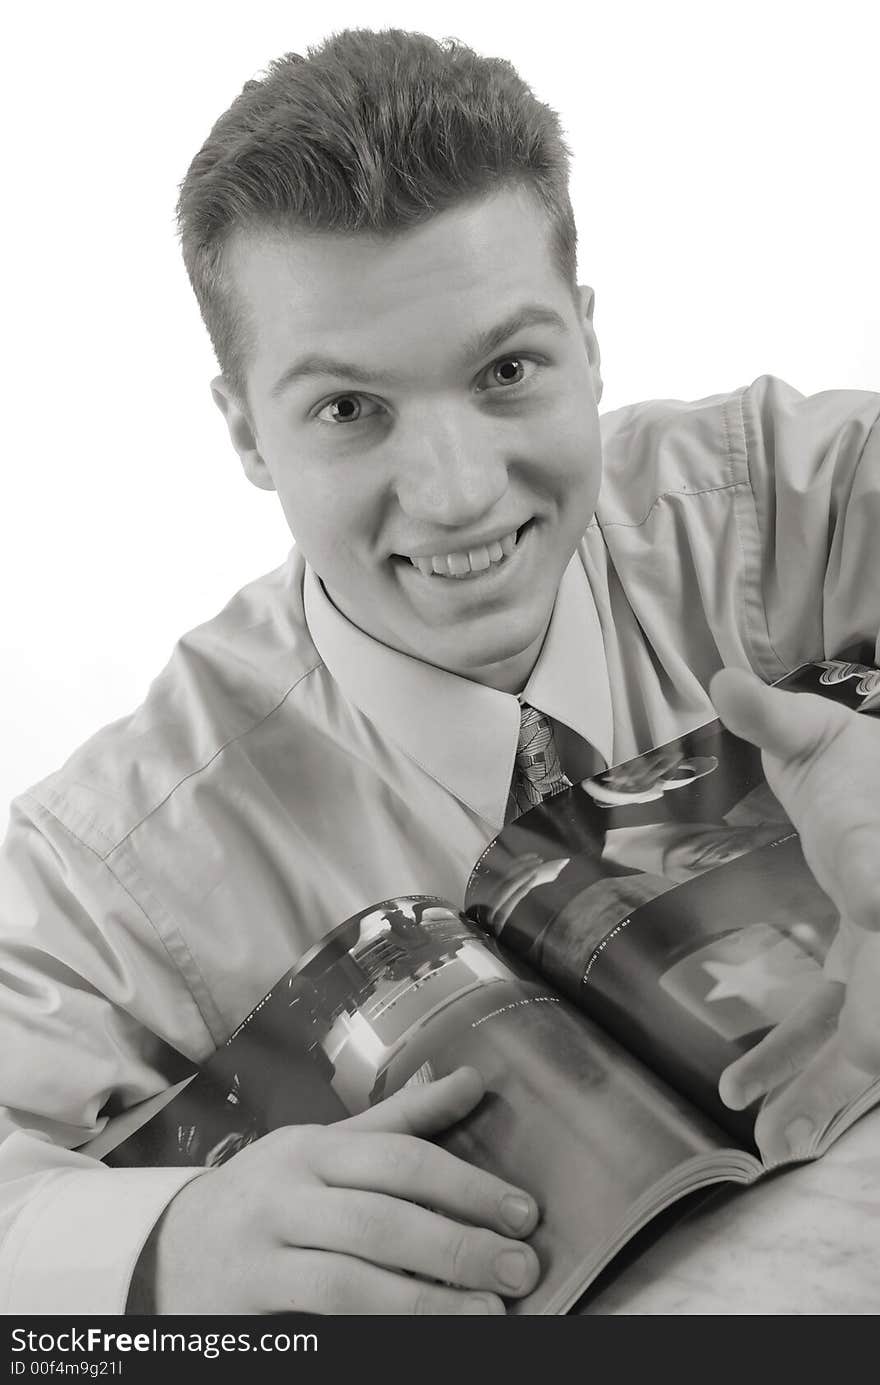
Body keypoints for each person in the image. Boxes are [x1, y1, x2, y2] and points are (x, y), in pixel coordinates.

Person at [0, 27, 878, 1316]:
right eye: (349, 409)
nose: (462, 496)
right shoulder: (111, 860)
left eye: (508, 370)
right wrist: (165, 1252)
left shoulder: (785, 497)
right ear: (245, 427)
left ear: (586, 336)